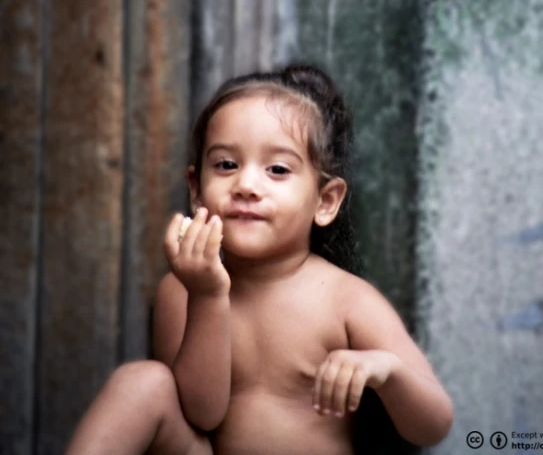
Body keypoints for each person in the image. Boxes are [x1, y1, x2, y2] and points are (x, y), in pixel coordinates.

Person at [65, 64, 453, 455]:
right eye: (226, 165)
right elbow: (201, 414)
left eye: (277, 170)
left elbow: (432, 426)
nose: (247, 186)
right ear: (197, 190)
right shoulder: (182, 290)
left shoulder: (346, 299)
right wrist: (207, 295)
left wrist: (387, 371)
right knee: (142, 381)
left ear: (325, 201)